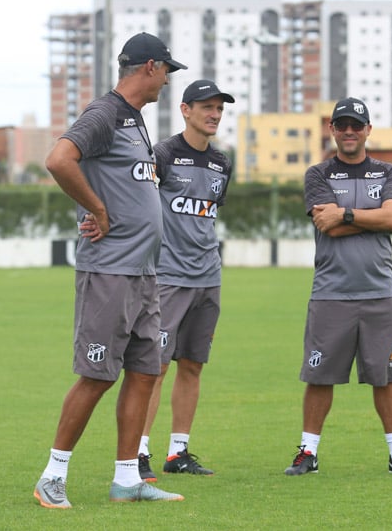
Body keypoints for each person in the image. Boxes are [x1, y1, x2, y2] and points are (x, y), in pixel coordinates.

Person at [33, 32, 188, 509]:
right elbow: (59, 160)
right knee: (98, 375)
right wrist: (98, 210)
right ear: (149, 68)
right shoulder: (104, 114)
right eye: (167, 70)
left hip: (144, 275)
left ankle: (127, 479)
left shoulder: (135, 122)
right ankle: (51, 477)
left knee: (144, 371)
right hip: (110, 272)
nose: (168, 79)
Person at [284, 97, 392, 477]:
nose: (349, 131)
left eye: (356, 125)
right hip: (331, 292)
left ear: (368, 130)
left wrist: (346, 214)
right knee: (319, 376)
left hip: (379, 291)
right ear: (332, 130)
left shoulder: (388, 172)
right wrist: (373, 218)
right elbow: (324, 224)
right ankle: (307, 453)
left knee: (386, 375)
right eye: (341, 125)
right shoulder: (318, 174)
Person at [135, 80, 235, 482]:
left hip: (208, 278)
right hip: (168, 278)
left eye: (219, 109)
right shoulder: (161, 154)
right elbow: (138, 201)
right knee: (154, 367)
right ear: (185, 110)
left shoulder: (222, 163)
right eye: (207, 107)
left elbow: (206, 217)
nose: (214, 114)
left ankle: (178, 452)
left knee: (192, 365)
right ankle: (138, 451)